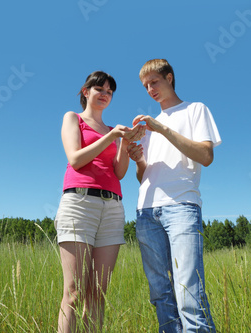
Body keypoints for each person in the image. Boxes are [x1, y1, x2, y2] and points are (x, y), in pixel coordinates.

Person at [127, 59, 221, 333]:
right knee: (160, 293)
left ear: (169, 78)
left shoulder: (195, 110)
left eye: (154, 82)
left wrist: (164, 129)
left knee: (188, 290)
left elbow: (206, 156)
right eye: (145, 86)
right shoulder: (147, 127)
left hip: (181, 206)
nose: (150, 90)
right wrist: (138, 161)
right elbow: (143, 176)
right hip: (146, 212)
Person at [55, 70, 145, 333]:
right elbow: (75, 159)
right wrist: (112, 136)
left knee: (98, 293)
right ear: (86, 92)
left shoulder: (112, 131)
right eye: (99, 89)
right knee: (73, 291)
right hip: (80, 204)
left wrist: (126, 145)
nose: (105, 94)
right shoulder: (73, 118)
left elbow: (118, 172)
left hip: (113, 207)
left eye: (109, 91)